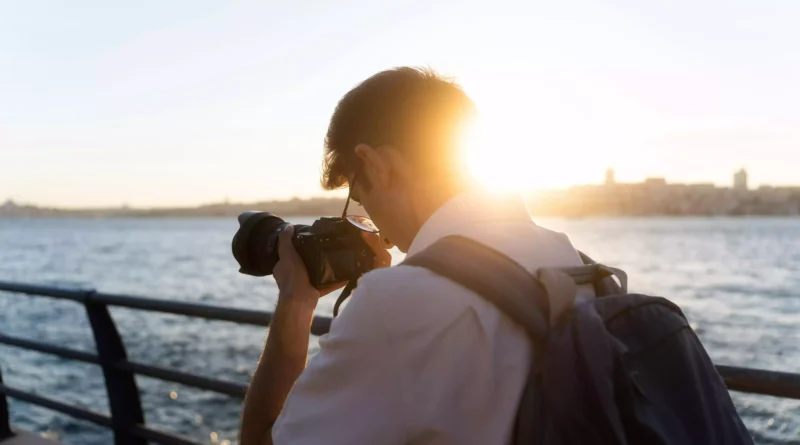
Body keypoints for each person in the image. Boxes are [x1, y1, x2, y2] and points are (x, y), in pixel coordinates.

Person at [239, 67, 587, 445]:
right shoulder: (573, 261)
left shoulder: (396, 304)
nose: (364, 211)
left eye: (356, 194)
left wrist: (296, 301)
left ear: (375, 166)